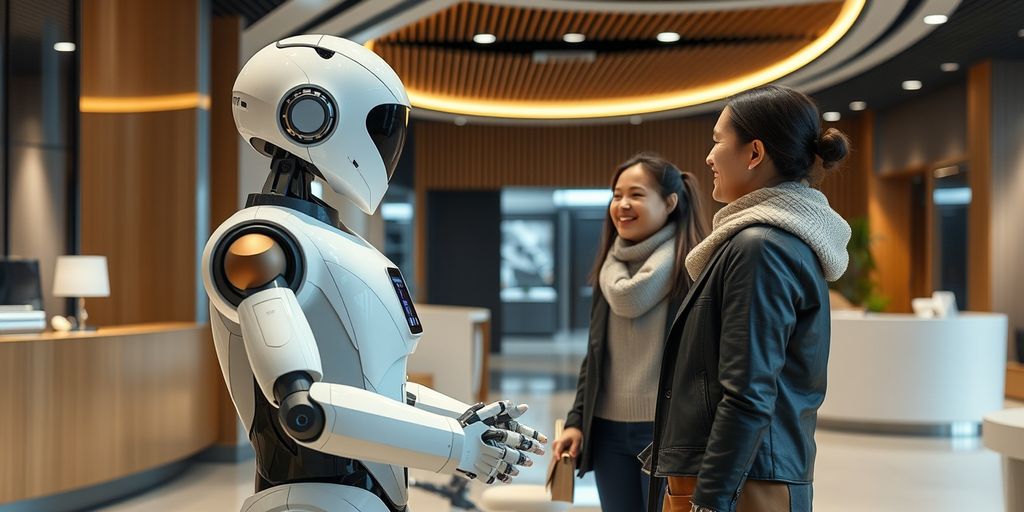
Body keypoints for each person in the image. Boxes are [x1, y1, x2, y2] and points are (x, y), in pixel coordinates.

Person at [642, 84, 852, 512]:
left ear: (754, 153)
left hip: (739, 486)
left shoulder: (761, 247)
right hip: (737, 478)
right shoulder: (766, 241)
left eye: (718, 141)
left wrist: (710, 501)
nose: (709, 157)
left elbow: (748, 393)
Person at [552, 152, 709, 512]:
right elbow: (594, 354)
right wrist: (576, 421)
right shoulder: (608, 273)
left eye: (636, 194)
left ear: (670, 202)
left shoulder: (694, 270)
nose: (622, 204)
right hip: (608, 433)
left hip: (669, 432)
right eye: (617, 195)